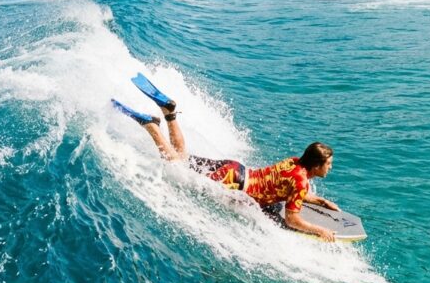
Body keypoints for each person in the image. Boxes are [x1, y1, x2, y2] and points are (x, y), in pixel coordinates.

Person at [113, 88, 340, 241]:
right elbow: (292, 219)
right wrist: (320, 230)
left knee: (183, 159)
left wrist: (320, 201)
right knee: (175, 165)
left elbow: (290, 191)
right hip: (233, 184)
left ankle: (169, 114)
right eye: (328, 164)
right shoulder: (300, 182)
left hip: (234, 170)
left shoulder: (295, 164)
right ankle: (152, 128)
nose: (330, 168)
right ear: (316, 165)